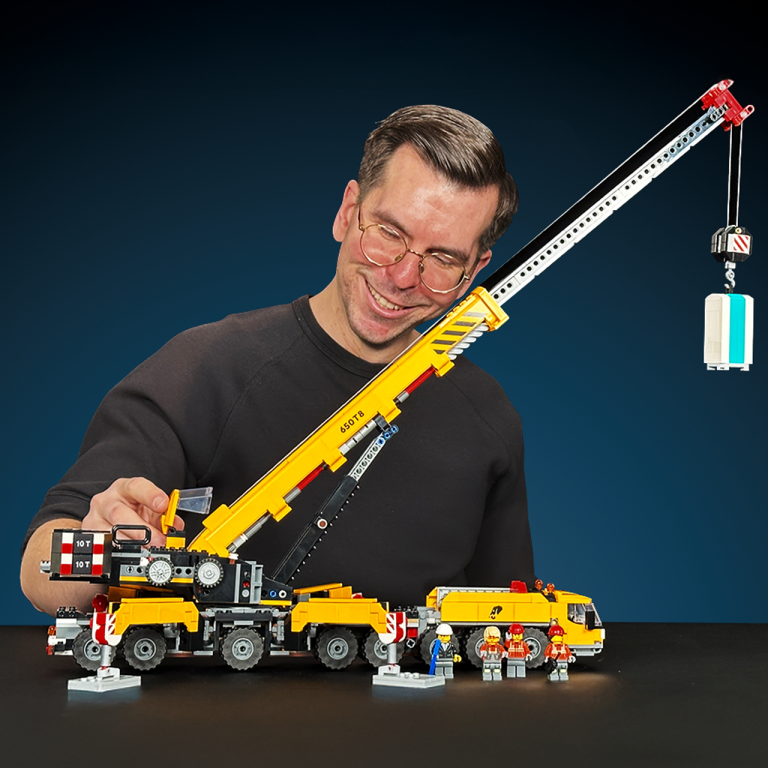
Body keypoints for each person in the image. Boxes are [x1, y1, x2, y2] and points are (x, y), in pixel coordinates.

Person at [20, 105, 535, 616]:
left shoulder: (488, 416)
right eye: (388, 233)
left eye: (442, 259)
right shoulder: (205, 368)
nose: (401, 277)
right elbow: (39, 570)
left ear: (473, 272)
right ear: (348, 211)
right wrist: (100, 545)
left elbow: (508, 617)